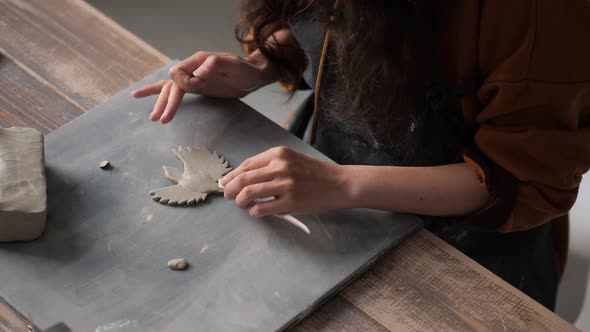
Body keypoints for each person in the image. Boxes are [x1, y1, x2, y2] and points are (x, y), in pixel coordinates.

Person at [133, 0, 590, 310]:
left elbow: (522, 177)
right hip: (328, 177)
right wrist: (261, 65)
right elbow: (327, 25)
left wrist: (340, 183)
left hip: (469, 247)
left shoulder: (535, 14)